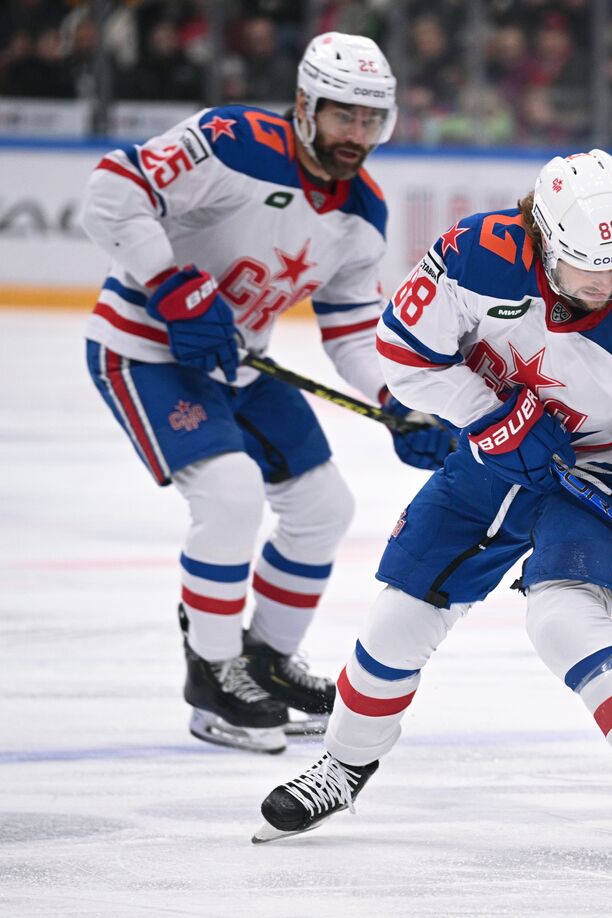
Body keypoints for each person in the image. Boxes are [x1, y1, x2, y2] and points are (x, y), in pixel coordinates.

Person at [253, 149, 612, 869]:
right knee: (397, 620)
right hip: (487, 454)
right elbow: (402, 354)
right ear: (542, 241)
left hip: (599, 467)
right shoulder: (478, 254)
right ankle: (343, 768)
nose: (608, 287)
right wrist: (490, 416)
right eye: (589, 270)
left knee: (562, 616)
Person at [81, 33, 453, 755]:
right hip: (144, 351)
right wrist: (169, 286)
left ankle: (265, 662)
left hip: (240, 363)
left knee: (324, 507)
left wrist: (398, 401)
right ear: (306, 105)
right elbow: (112, 190)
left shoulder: (362, 212)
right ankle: (213, 676)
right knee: (229, 494)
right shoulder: (231, 140)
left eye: (371, 121)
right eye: (344, 117)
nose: (358, 136)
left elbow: (349, 329)